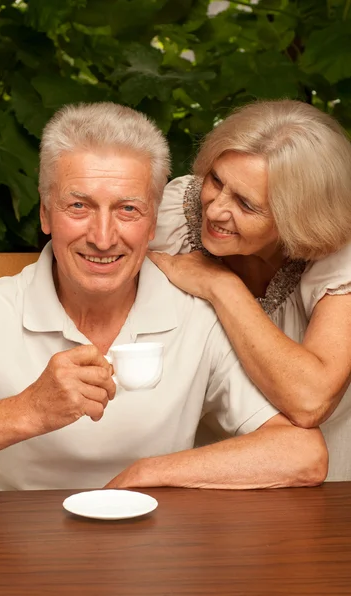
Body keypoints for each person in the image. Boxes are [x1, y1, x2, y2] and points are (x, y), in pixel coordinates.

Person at [0, 102, 327, 492]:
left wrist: (150, 473)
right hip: (6, 549)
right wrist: (28, 411)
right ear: (46, 214)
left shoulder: (197, 318)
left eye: (128, 209)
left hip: (153, 549)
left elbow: (303, 454)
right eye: (79, 206)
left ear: (153, 223)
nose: (102, 237)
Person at [145, 99, 351, 482]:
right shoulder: (177, 211)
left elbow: (309, 401)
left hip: (321, 478)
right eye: (217, 180)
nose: (215, 210)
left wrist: (221, 285)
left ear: (298, 218)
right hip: (201, 473)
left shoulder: (338, 253)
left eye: (245, 204)